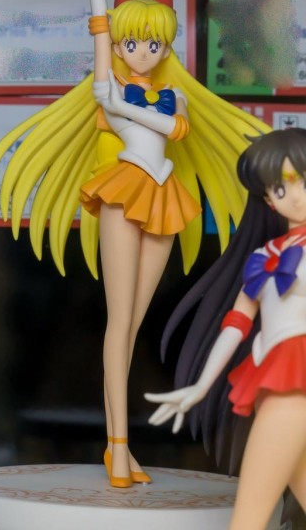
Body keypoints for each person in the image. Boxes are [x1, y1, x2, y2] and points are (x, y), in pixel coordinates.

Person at [0, 0, 271, 488]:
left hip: (163, 197)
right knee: (119, 325)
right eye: (131, 42)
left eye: (153, 43)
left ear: (166, 46)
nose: (141, 52)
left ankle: (122, 447)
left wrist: (132, 108)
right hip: (122, 194)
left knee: (132, 328)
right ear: (118, 43)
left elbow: (175, 128)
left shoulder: (170, 96)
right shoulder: (110, 86)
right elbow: (101, 36)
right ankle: (117, 448)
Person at [146, 128, 306, 529]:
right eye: (281, 188)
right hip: (274, 378)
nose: (295, 197)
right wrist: (201, 387)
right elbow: (237, 323)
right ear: (267, 198)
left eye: (303, 182)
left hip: (294, 384)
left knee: (247, 519)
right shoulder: (264, 256)